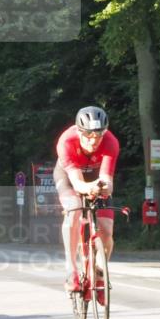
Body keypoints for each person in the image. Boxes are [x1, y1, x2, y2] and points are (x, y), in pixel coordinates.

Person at [55, 106, 120, 291]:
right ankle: (71, 268)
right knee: (74, 209)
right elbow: (77, 183)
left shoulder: (111, 142)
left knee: (106, 230)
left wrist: (105, 187)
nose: (94, 141)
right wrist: (88, 188)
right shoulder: (66, 141)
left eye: (98, 135)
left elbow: (108, 178)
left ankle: (99, 272)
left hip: (95, 179)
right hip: (69, 178)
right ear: (79, 131)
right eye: (88, 135)